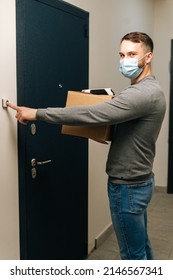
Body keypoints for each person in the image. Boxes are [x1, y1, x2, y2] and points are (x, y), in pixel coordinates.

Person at [7, 32, 166, 260]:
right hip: (138, 181)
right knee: (141, 248)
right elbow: (125, 128)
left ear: (148, 57)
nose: (125, 60)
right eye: (121, 54)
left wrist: (36, 113)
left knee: (133, 256)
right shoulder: (149, 90)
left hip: (128, 187)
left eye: (132, 54)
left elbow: (93, 113)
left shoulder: (143, 94)